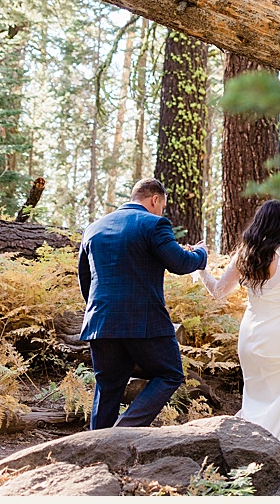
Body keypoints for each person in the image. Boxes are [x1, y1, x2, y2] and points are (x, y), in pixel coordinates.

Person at [78, 178, 209, 429]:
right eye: (162, 206)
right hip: (144, 321)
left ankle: (96, 450)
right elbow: (180, 263)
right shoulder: (154, 223)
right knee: (170, 373)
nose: (162, 212)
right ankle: (123, 432)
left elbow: (86, 279)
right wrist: (201, 254)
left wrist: (101, 310)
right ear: (155, 199)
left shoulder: (93, 228)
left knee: (108, 387)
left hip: (101, 320)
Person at [194, 200, 280, 444]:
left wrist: (200, 268)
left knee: (254, 398)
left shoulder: (245, 252)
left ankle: (243, 449)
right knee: (276, 400)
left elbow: (218, 290)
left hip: (249, 335)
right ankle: (266, 453)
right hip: (277, 337)